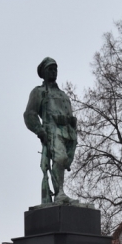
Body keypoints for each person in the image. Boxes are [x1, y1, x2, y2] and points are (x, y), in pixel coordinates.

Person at [23, 57, 78, 204]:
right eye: (50, 69)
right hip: (52, 130)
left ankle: (60, 192)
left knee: (65, 161)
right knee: (60, 158)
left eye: (55, 69)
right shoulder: (39, 92)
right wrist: (39, 130)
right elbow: (29, 114)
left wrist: (73, 126)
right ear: (44, 73)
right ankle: (59, 193)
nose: (54, 72)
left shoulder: (63, 95)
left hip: (69, 132)